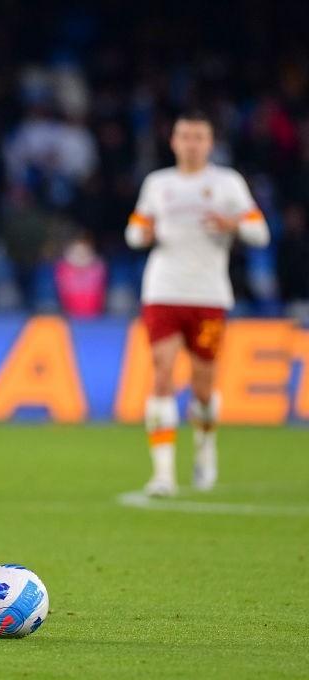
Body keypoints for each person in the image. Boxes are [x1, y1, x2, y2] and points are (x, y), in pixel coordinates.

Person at [125, 111, 269, 497]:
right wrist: (144, 232)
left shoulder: (227, 183)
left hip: (208, 295)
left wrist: (233, 224)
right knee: (162, 371)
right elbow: (134, 232)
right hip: (162, 290)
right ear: (173, 141)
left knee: (204, 389)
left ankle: (205, 448)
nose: (191, 143)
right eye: (184, 135)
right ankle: (163, 473)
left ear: (210, 142)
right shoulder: (158, 184)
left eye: (199, 136)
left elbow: (260, 232)